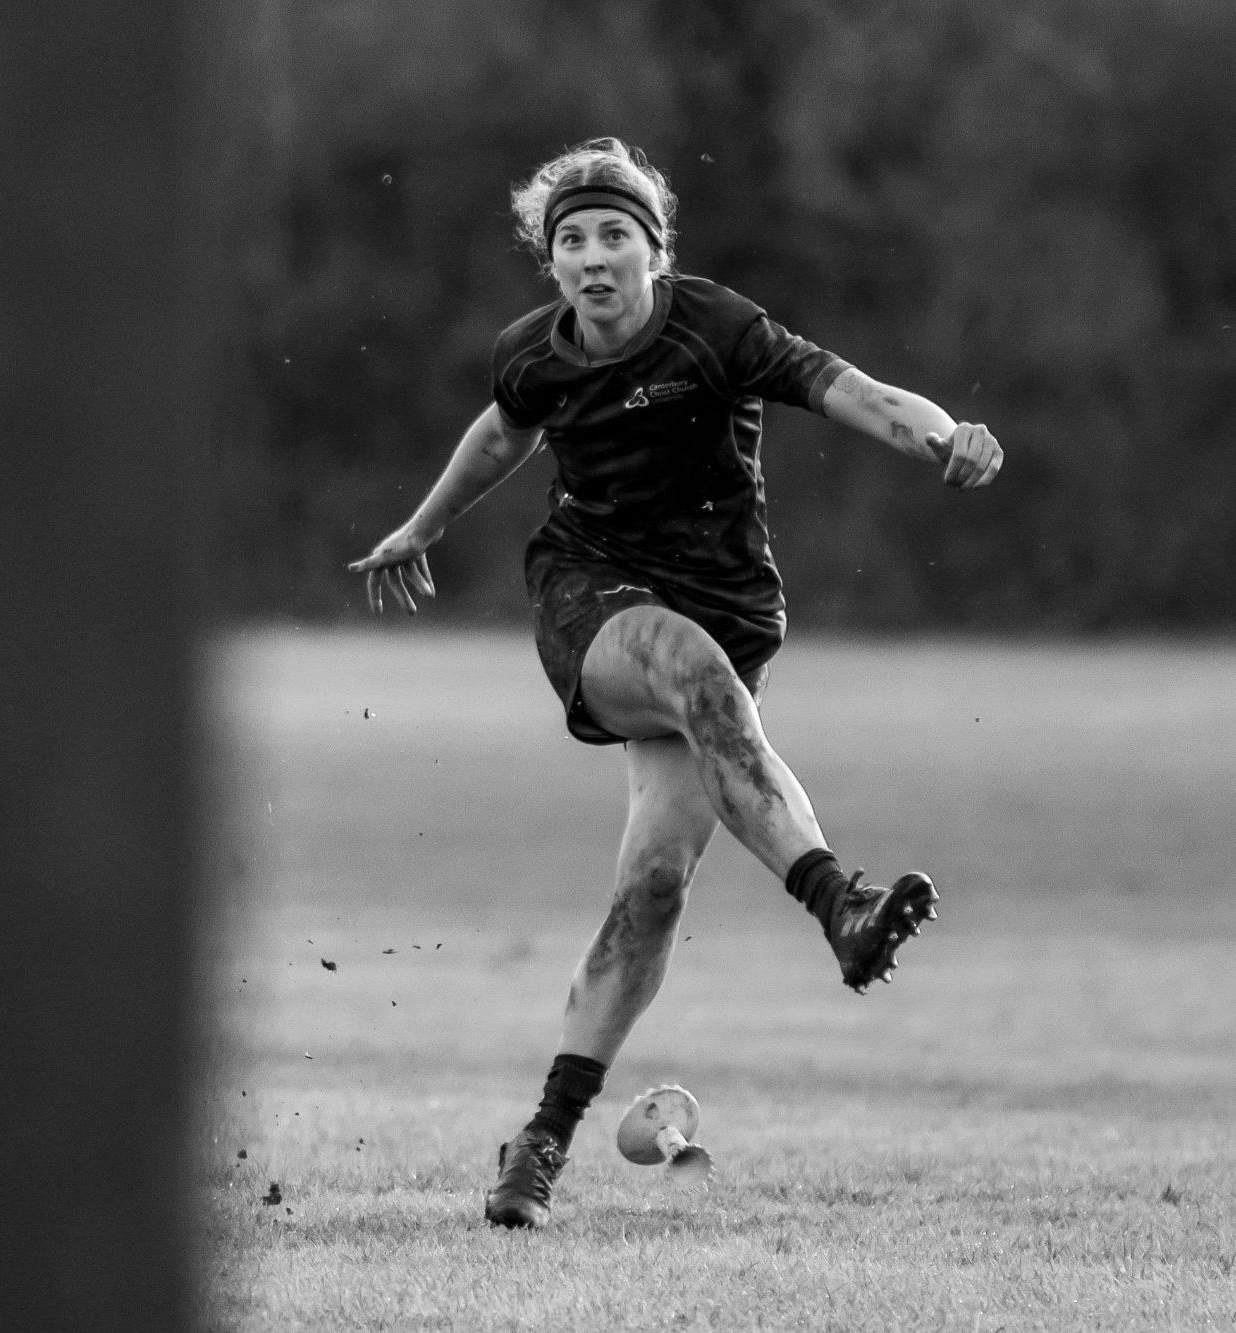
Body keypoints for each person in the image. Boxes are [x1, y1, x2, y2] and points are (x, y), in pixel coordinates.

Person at [349, 137, 1002, 1229]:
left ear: (654, 252)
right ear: (551, 262)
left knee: (653, 884)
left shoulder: (717, 328)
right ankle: (837, 902)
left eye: (615, 235)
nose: (592, 257)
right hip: (591, 593)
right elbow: (503, 432)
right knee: (682, 661)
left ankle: (539, 1140)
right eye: (571, 241)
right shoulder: (534, 352)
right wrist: (422, 525)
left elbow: (857, 392)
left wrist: (944, 440)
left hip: (728, 611)